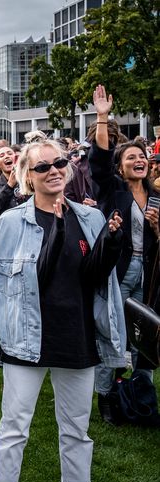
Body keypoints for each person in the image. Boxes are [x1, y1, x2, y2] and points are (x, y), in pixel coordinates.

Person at [0, 139, 125, 482]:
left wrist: (112, 242)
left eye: (59, 163)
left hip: (76, 339)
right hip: (25, 344)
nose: (53, 170)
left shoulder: (91, 216)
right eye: (42, 167)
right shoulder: (10, 224)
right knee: (13, 429)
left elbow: (96, 279)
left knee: (76, 431)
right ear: (27, 176)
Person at [89, 85, 160, 421]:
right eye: (131, 156)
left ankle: (142, 395)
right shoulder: (113, 190)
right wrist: (102, 117)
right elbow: (99, 163)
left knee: (145, 334)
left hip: (148, 275)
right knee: (114, 333)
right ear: (121, 167)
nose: (139, 160)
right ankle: (106, 396)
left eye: (142, 157)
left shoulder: (157, 197)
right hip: (118, 272)